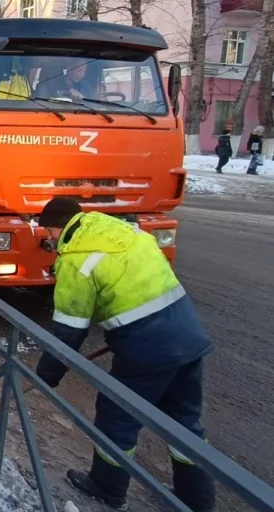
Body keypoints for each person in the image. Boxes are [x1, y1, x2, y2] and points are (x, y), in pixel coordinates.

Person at [35, 197, 215, 512]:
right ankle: (196, 499)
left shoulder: (76, 258)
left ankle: (107, 487)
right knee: (184, 421)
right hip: (186, 333)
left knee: (117, 416)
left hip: (147, 347)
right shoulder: (118, 228)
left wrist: (48, 373)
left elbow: (70, 329)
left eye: (47, 232)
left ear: (55, 226)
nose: (48, 239)